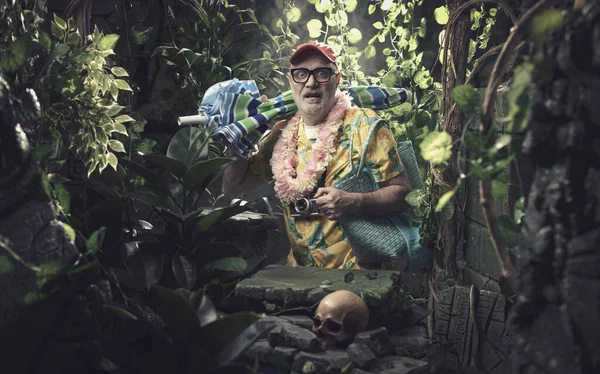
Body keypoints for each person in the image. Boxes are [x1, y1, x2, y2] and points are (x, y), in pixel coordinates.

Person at [222, 40, 412, 270]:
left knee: (332, 308)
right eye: (301, 73)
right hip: (301, 270)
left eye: (322, 73)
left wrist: (353, 201)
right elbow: (233, 187)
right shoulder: (280, 134)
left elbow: (403, 195)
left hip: (358, 273)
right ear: (291, 81)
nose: (311, 83)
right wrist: (241, 138)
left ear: (336, 79)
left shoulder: (365, 125)